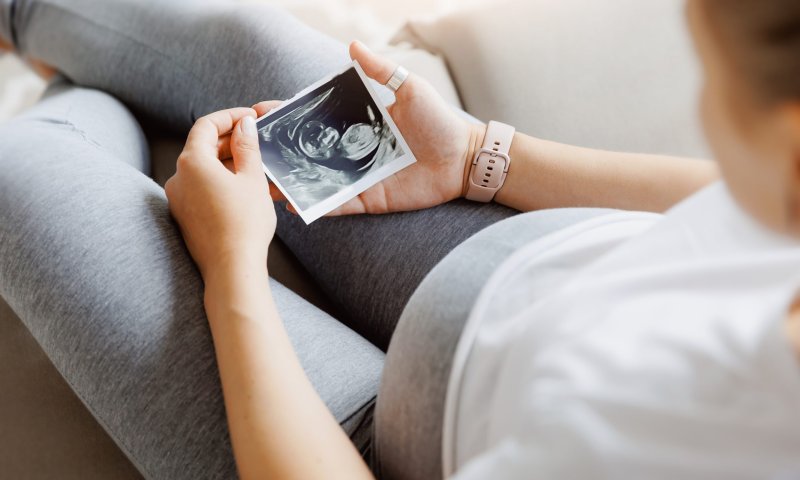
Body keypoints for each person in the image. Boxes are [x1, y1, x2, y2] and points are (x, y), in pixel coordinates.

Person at [0, 1, 796, 479]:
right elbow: (715, 194)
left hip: (369, 441)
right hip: (516, 255)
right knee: (251, 47)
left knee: (22, 174)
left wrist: (232, 270)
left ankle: (91, 109)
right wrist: (483, 157)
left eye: (710, 73)